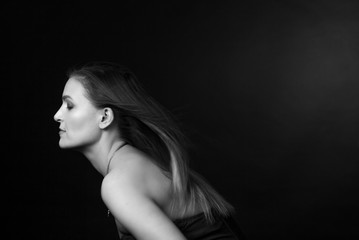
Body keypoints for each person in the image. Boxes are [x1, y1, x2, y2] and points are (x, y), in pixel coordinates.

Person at [54, 62, 246, 239]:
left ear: (105, 117)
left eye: (69, 106)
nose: (57, 115)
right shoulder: (132, 165)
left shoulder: (119, 182)